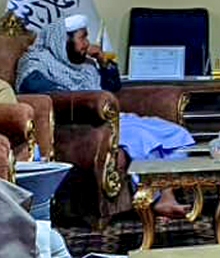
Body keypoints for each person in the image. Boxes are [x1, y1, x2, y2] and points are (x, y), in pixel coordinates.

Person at [15, 15, 193, 219]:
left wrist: (102, 61)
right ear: (64, 41)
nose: (87, 44)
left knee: (176, 134)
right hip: (79, 125)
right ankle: (160, 199)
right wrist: (85, 99)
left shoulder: (86, 65)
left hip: (109, 119)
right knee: (142, 139)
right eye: (82, 38)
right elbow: (39, 92)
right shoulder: (36, 62)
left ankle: (165, 196)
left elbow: (113, 87)